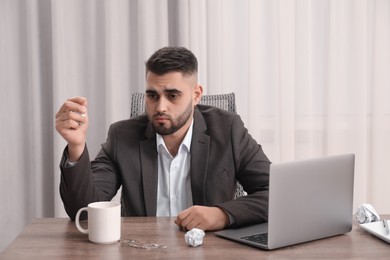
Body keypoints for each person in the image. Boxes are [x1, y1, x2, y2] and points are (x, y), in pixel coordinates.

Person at [55, 46, 270, 231]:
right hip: (143, 250)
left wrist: (221, 214)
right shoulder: (122, 136)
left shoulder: (228, 129)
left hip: (210, 250)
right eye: (152, 95)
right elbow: (83, 213)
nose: (160, 107)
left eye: (173, 95)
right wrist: (76, 147)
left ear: (196, 95)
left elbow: (274, 195)